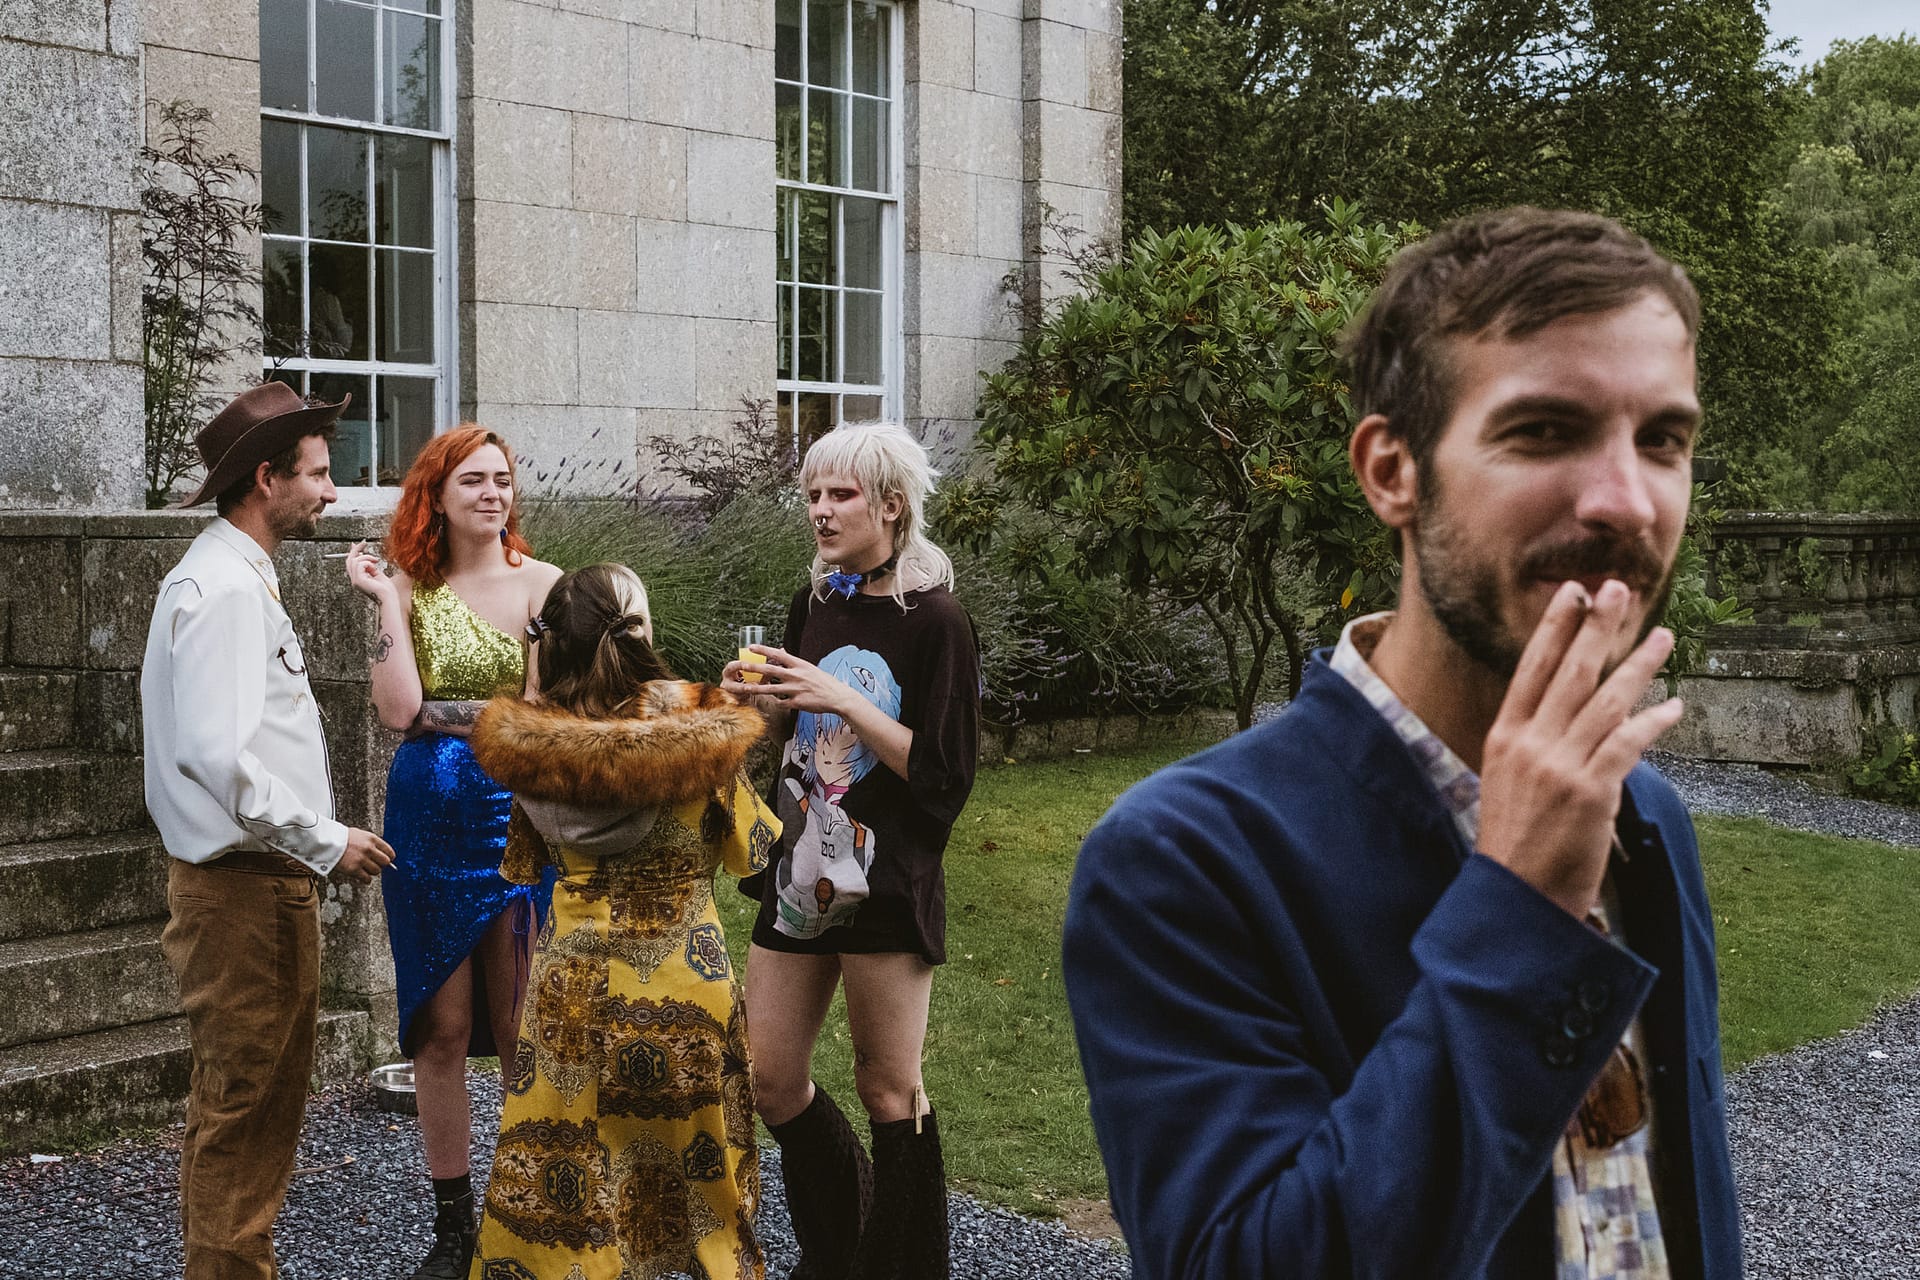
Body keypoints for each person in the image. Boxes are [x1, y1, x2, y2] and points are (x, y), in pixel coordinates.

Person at [1062, 208, 1742, 1279]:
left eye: (1662, 440)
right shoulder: (1184, 861)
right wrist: (1521, 910)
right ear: (1392, 470)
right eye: (1544, 431)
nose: (1625, 501)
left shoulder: (1645, 814)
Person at [142, 382, 395, 1280]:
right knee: (247, 1115)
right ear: (265, 479)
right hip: (246, 895)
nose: (332, 490)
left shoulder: (229, 575)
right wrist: (326, 839)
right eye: (318, 473)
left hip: (248, 889)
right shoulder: (222, 589)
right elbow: (216, 754)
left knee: (241, 1109)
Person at [466, 563, 779, 1279]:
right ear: (639, 632)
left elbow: (524, 863)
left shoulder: (532, 751)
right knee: (707, 1199)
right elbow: (751, 850)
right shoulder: (702, 734)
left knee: (562, 1195)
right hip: (684, 992)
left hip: (569, 1003)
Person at [720, 422, 981, 1280]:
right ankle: (841, 1252)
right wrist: (756, 706)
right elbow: (798, 735)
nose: (821, 512)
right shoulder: (819, 601)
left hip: (886, 881)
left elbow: (943, 774)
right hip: (801, 872)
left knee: (889, 1090)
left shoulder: (937, 621)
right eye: (813, 496)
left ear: (892, 506)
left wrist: (842, 696)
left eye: (841, 495)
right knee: (769, 1079)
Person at [343, 427, 560, 1279]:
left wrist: (453, 713)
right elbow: (400, 712)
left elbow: (542, 716)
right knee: (442, 1028)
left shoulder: (544, 584)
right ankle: (451, 1226)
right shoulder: (406, 587)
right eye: (473, 480)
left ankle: (525, 1214)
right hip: (427, 826)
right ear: (435, 493)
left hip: (516, 824)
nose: (492, 494)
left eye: (502, 480)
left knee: (519, 1025)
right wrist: (386, 604)